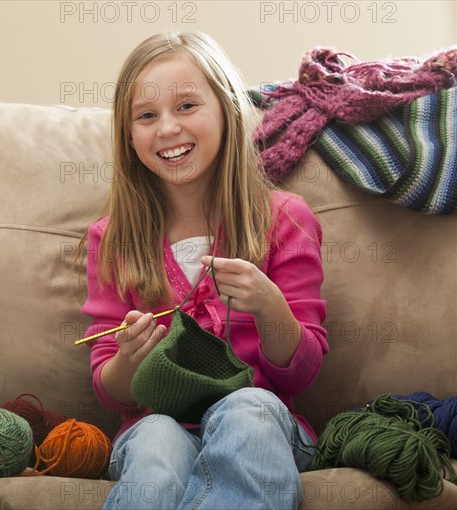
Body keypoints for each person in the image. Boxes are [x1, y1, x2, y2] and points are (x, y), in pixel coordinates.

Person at [80, 31, 328, 510]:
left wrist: (270, 305)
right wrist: (129, 357)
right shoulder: (113, 240)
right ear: (129, 137)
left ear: (227, 111)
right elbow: (112, 392)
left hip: (264, 422)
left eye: (187, 106)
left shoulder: (286, 219)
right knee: (156, 438)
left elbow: (301, 375)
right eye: (147, 116)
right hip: (157, 422)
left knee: (247, 408)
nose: (168, 128)